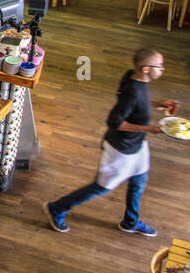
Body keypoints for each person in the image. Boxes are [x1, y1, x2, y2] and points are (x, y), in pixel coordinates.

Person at [44, 47, 178, 237]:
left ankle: (130, 222)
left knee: (139, 181)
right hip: (120, 149)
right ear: (146, 69)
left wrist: (157, 104)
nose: (162, 69)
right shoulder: (133, 91)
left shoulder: (134, 77)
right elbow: (115, 122)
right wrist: (148, 129)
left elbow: (135, 103)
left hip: (137, 146)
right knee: (100, 187)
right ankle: (56, 208)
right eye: (160, 66)